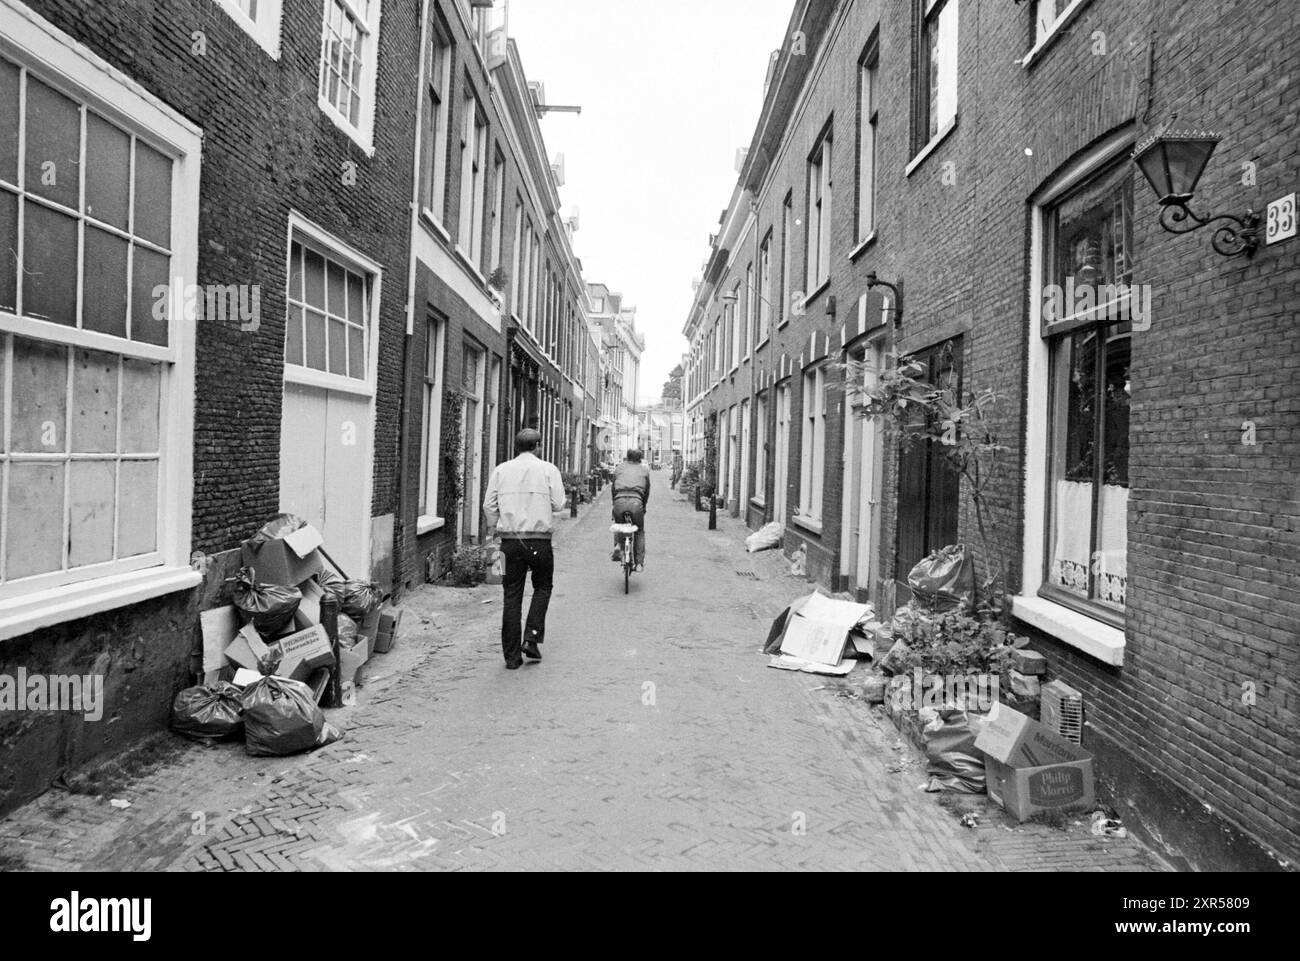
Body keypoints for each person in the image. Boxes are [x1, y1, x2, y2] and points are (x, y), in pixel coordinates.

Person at [483, 428, 567, 670]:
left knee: (511, 595)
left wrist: (493, 530)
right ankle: (530, 637)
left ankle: (511, 658)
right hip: (539, 541)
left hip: (509, 541)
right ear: (538, 446)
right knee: (542, 587)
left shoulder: (501, 470)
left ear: (516, 446)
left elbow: (489, 505)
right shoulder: (549, 469)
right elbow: (559, 504)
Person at [610, 448, 651, 570]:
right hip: (636, 502)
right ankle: (639, 562)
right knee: (639, 531)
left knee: (618, 525)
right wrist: (643, 507)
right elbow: (647, 491)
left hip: (619, 500)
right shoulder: (644, 470)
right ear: (639, 459)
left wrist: (614, 503)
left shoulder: (619, 468)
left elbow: (613, 488)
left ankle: (618, 546)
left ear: (627, 457)